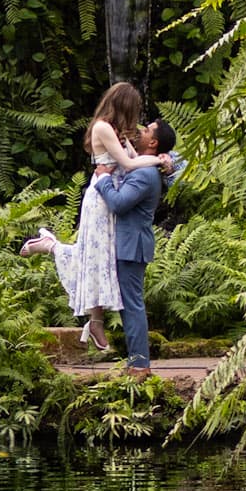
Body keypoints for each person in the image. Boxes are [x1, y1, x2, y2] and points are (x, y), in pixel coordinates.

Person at [20, 83, 170, 353]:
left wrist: (163, 158)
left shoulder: (121, 134)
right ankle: (94, 318)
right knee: (95, 257)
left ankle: (50, 246)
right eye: (134, 110)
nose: (138, 119)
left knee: (101, 259)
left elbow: (137, 159)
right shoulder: (102, 127)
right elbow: (129, 164)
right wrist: (159, 161)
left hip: (114, 191)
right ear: (124, 105)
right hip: (102, 198)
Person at [95, 117, 181, 380]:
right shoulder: (146, 167)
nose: (141, 130)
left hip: (131, 245)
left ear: (153, 143)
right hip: (130, 243)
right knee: (129, 304)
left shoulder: (144, 174)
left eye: (147, 130)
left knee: (131, 305)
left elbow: (120, 204)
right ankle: (136, 362)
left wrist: (104, 181)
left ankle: (140, 365)